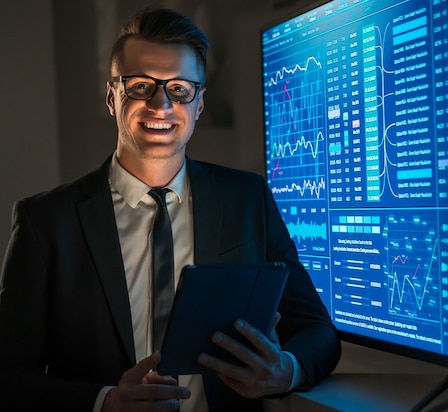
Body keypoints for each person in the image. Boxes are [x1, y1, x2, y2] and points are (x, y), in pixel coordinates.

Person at [0, 7, 341, 412]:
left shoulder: (247, 199)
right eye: (141, 86)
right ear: (112, 97)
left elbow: (318, 331)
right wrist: (104, 403)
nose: (160, 104)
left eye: (179, 88)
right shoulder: (46, 223)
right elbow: (8, 377)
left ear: (198, 104)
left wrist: (286, 370)